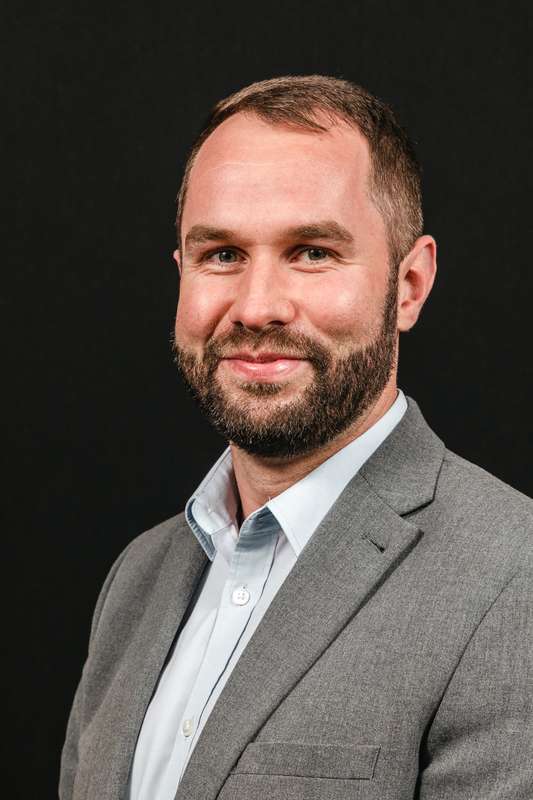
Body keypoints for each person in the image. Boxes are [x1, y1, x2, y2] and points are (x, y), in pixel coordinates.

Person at [59, 75, 533, 800]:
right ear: (182, 274)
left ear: (408, 285)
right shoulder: (137, 578)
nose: (256, 308)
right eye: (222, 254)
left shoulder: (513, 578)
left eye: (312, 252)